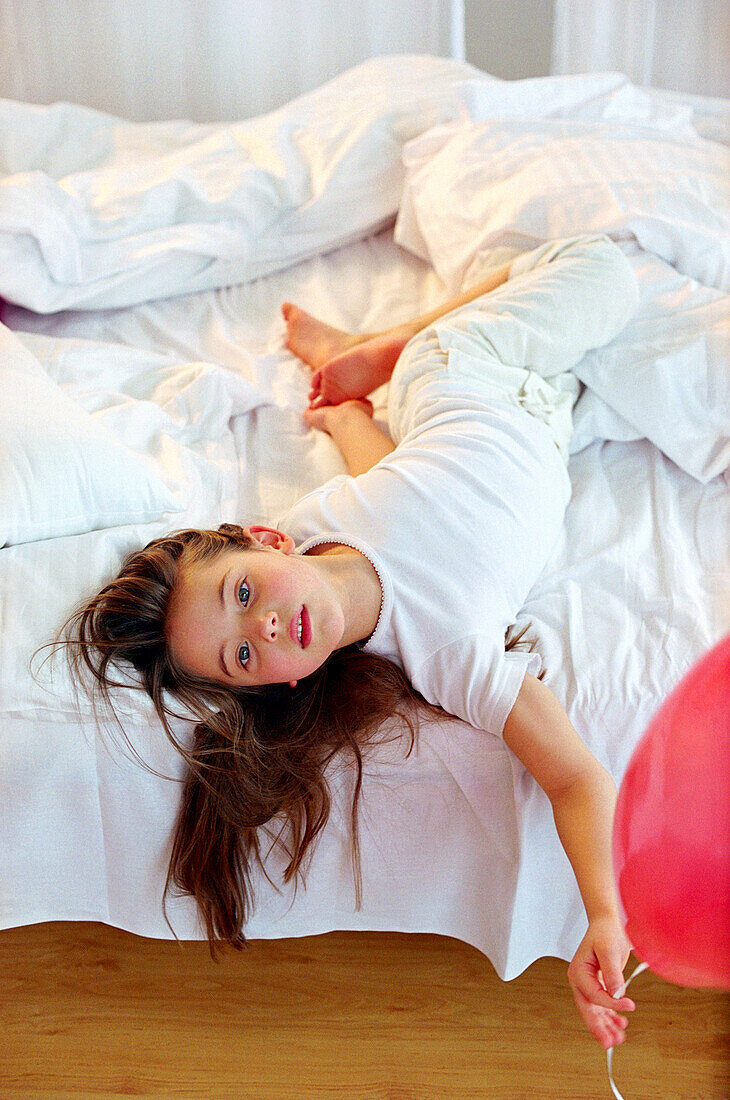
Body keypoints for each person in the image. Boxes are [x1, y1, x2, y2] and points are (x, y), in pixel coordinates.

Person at [63, 234, 640, 1051]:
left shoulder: (317, 524)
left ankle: (384, 348)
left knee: (604, 266)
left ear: (270, 541)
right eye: (242, 658)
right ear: (283, 684)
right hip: (541, 424)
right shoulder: (451, 654)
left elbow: (381, 485)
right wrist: (604, 914)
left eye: (242, 592)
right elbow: (577, 776)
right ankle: (374, 360)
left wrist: (346, 412)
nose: (261, 627)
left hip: (461, 369)